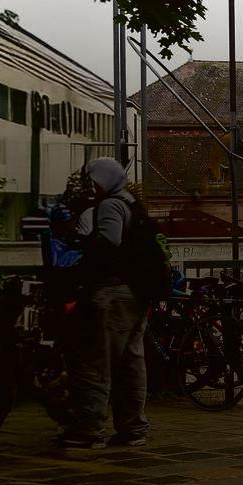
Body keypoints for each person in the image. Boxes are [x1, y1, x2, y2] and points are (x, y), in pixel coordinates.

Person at [61, 158, 150, 450]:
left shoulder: (111, 205)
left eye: (94, 180)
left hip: (113, 292)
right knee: (130, 364)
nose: (92, 186)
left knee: (95, 362)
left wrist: (80, 241)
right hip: (137, 292)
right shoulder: (133, 204)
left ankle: (87, 429)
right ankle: (133, 428)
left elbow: (108, 243)